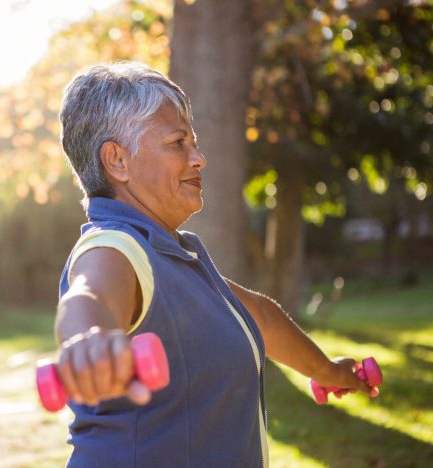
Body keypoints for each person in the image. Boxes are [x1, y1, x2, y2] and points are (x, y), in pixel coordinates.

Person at [54, 61, 374, 468]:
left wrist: (329, 371)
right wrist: (90, 339)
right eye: (177, 143)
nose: (199, 158)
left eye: (195, 142)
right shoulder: (116, 247)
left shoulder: (173, 257)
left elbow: (260, 317)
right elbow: (90, 294)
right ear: (117, 161)